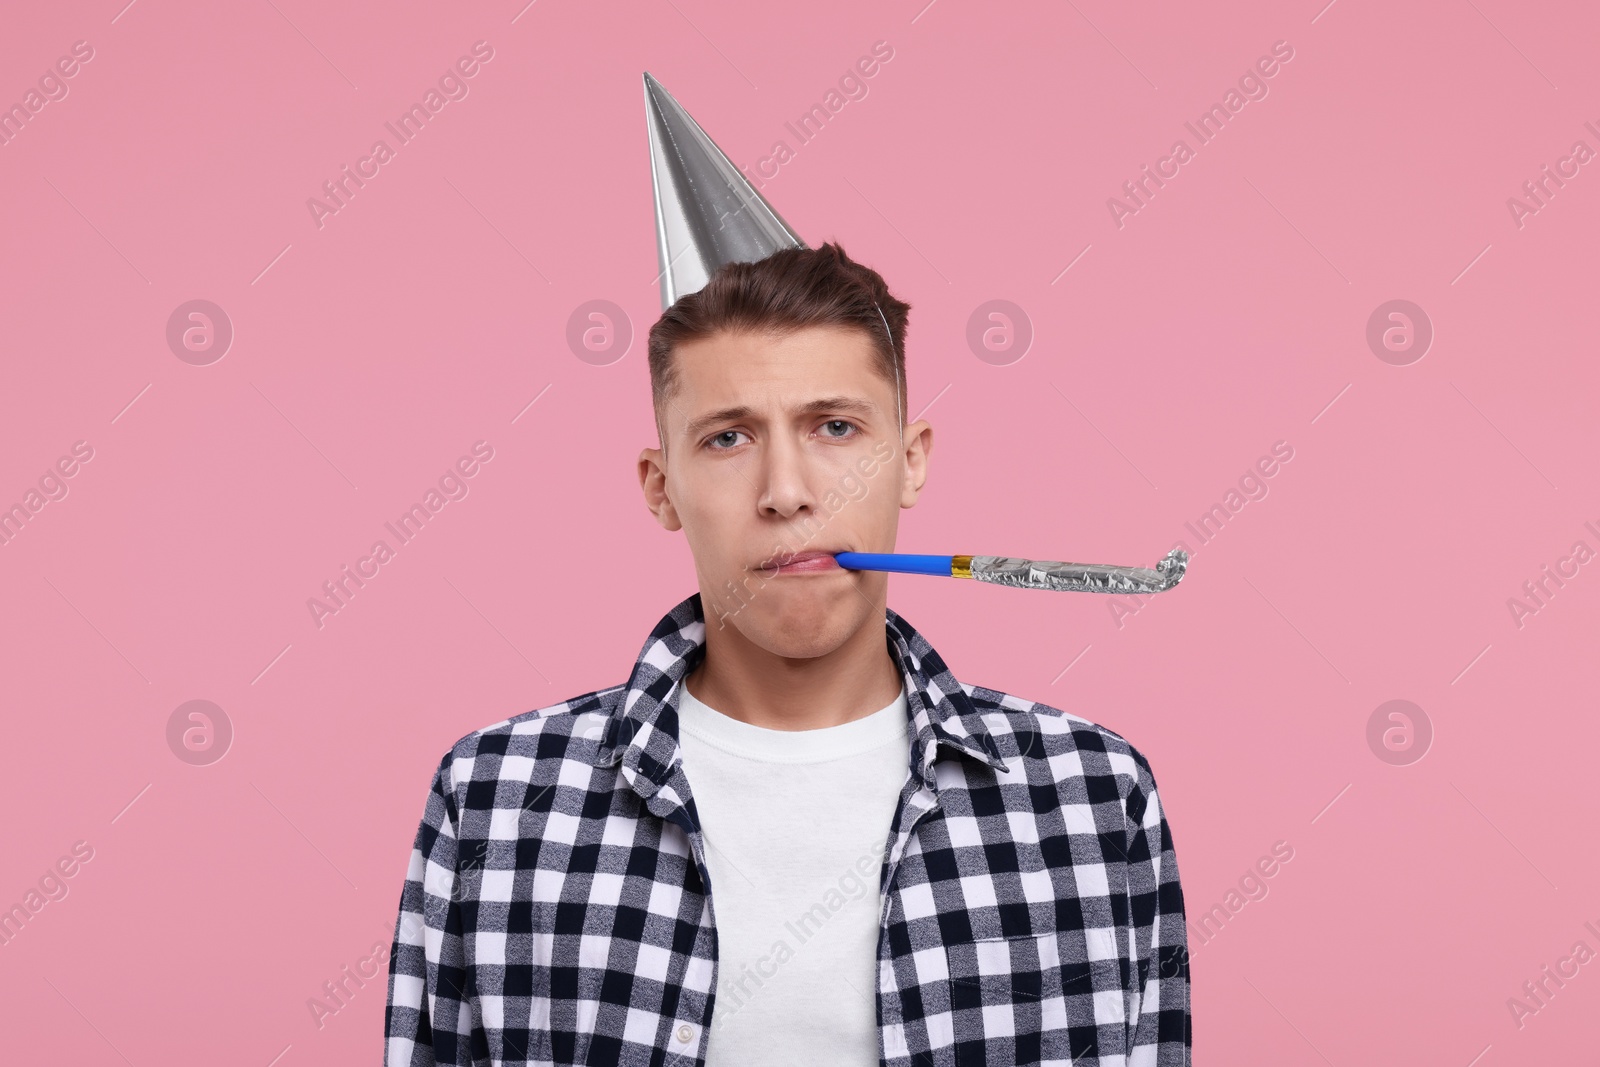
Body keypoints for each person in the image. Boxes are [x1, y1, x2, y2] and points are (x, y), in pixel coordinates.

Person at [383, 74, 1190, 1067]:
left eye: (836, 428)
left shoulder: (1088, 794)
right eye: (727, 438)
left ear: (911, 459)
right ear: (660, 483)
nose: (785, 490)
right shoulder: (500, 796)